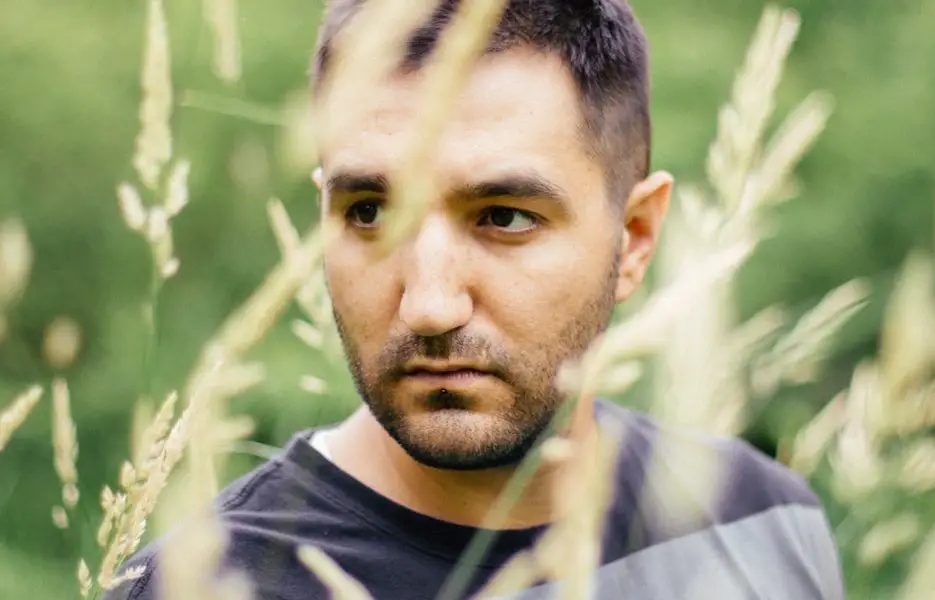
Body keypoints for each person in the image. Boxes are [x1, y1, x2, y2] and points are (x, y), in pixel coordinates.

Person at [108, 0, 845, 598]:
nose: (429, 306)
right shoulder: (210, 586)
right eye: (368, 211)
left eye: (504, 217)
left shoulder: (762, 514)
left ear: (636, 236)